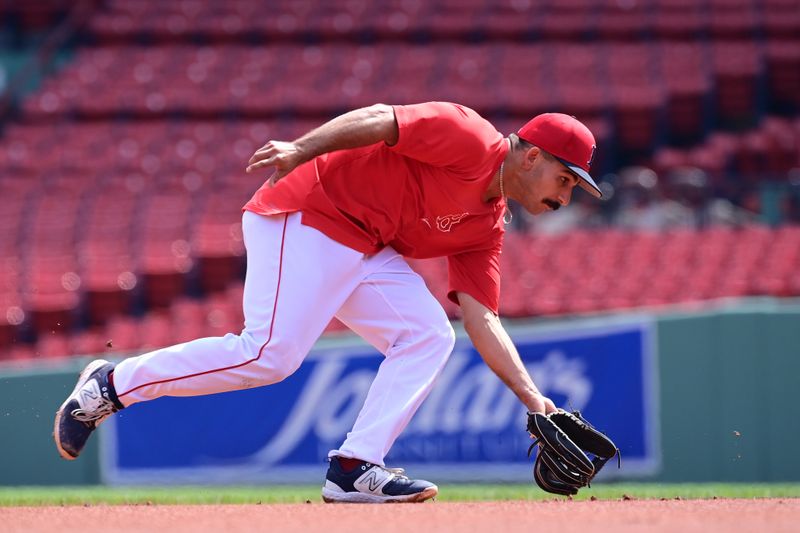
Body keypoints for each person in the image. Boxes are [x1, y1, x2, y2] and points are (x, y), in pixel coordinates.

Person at [54, 102, 602, 503]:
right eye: (566, 179)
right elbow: (382, 119)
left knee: (429, 335)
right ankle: (110, 386)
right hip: (308, 211)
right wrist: (300, 148)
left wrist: (537, 403)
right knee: (270, 355)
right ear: (531, 157)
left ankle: (355, 466)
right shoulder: (469, 136)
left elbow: (483, 317)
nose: (565, 195)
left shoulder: (486, 225)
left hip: (364, 245)